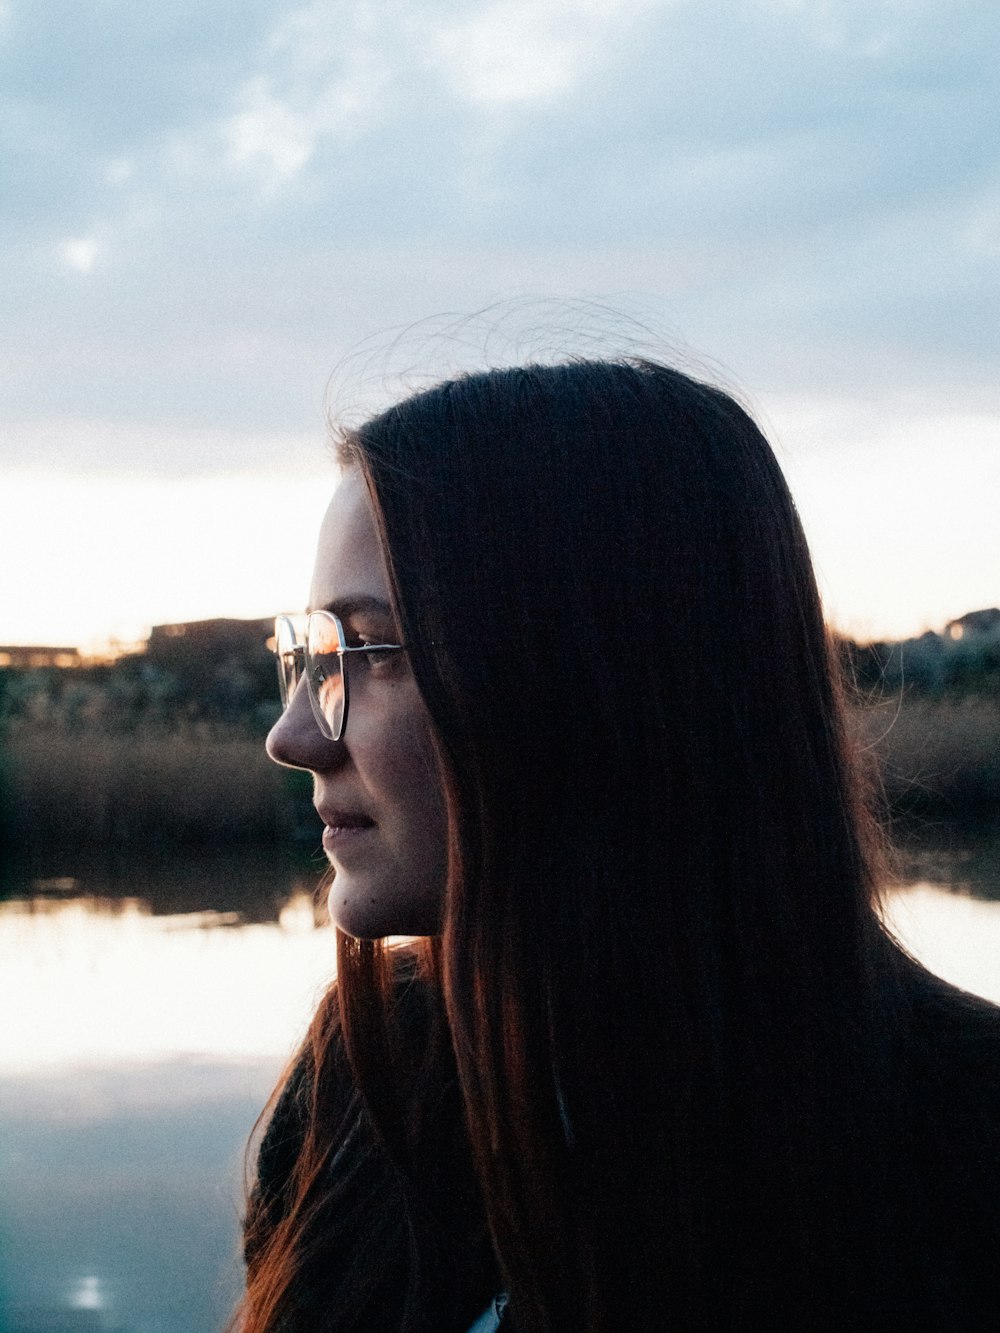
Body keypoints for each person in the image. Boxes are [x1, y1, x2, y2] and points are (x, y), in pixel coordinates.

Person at [237, 358, 1000, 1333]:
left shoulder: (965, 1149)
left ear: (592, 681)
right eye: (308, 651)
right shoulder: (376, 1080)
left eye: (370, 650)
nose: (292, 735)